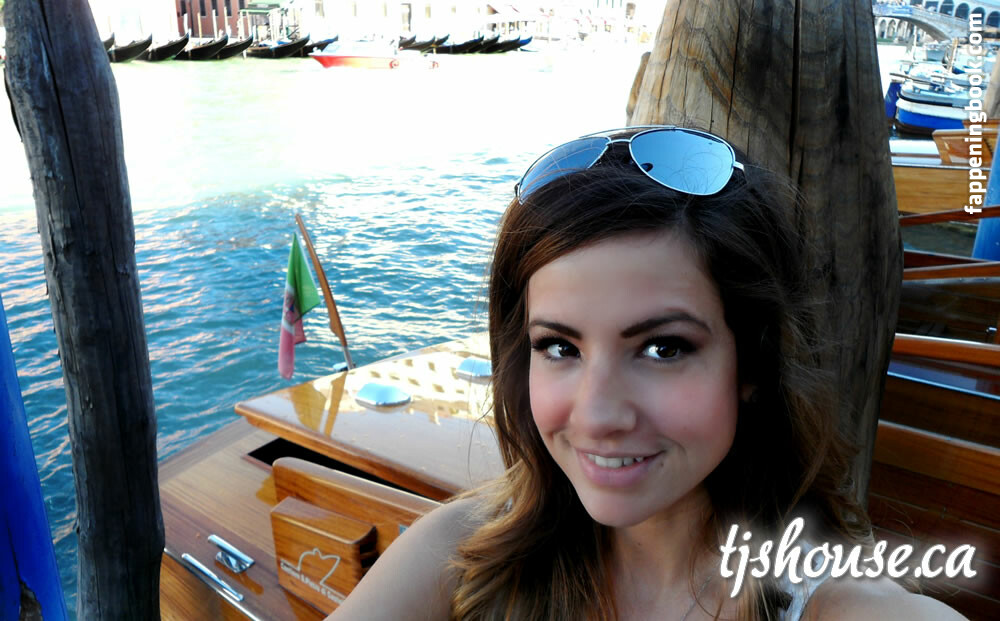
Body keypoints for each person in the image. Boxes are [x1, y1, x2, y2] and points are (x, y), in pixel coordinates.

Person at [328, 126, 966, 620]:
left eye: (663, 348)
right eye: (560, 347)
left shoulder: (842, 606)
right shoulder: (464, 553)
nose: (598, 415)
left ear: (752, 363)